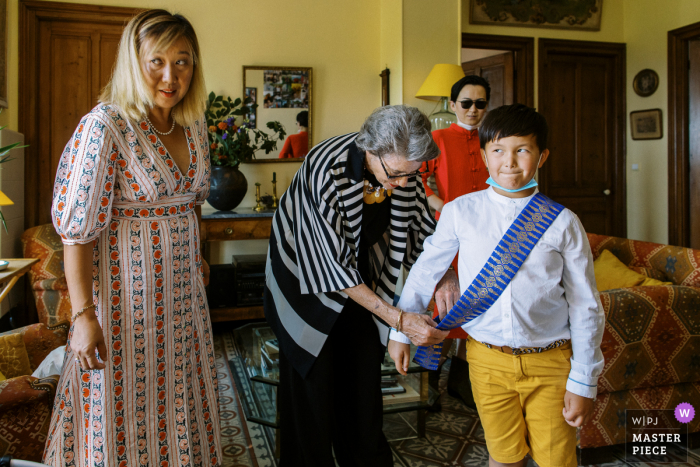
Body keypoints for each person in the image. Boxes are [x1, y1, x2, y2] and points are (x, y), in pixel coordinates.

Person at [45, 10, 221, 467]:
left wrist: (196, 255)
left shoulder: (194, 123)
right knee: (123, 408)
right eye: (157, 61)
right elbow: (76, 231)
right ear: (132, 62)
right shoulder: (106, 126)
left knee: (183, 400)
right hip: (127, 309)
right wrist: (83, 316)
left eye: (183, 61)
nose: (171, 75)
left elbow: (192, 199)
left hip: (184, 304)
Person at [389, 104, 605, 467]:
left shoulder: (563, 222)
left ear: (542, 156)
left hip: (551, 363)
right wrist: (400, 332)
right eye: (499, 150)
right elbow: (426, 270)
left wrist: (583, 381)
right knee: (503, 458)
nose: (510, 162)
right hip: (486, 361)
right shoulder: (460, 211)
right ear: (484, 155)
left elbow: (586, 305)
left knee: (557, 461)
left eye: (523, 150)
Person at [265, 105, 460, 466]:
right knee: (313, 392)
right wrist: (399, 320)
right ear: (371, 149)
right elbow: (331, 267)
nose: (404, 183)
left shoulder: (404, 169)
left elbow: (422, 231)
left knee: (362, 385)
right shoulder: (326, 169)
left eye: (411, 174)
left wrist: (445, 274)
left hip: (360, 283)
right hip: (304, 284)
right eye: (397, 174)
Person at [421, 75, 491, 405]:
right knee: (446, 309)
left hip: (490, 236)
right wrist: (440, 205)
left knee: (481, 306)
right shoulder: (438, 138)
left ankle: (463, 384)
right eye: (466, 103)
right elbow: (416, 179)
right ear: (452, 106)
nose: (473, 110)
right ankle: (428, 381)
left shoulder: (494, 139)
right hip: (451, 237)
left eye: (480, 103)